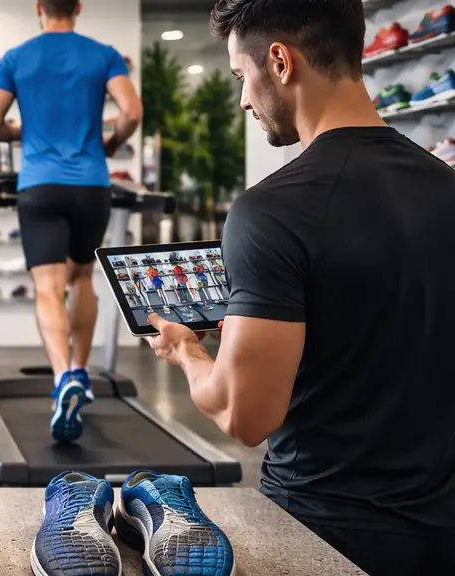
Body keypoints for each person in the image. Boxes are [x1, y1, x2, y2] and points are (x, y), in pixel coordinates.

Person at [146, 1, 455, 573]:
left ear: (281, 62)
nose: (242, 99)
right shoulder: (445, 186)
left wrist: (186, 350)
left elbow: (244, 414)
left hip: (323, 535)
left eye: (242, 76)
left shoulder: (272, 212)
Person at [0, 0, 142, 443]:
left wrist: (24, 130)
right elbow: (132, 112)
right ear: (78, 7)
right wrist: (110, 144)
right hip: (91, 184)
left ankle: (61, 379)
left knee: (48, 288)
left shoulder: (17, 57)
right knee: (82, 280)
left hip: (40, 186)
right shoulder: (103, 54)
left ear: (39, 8)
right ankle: (80, 371)